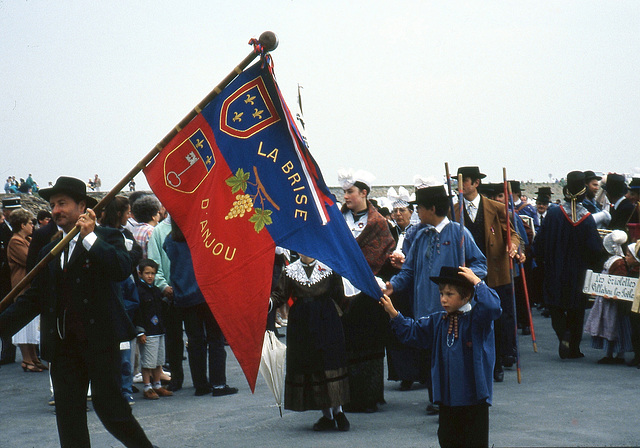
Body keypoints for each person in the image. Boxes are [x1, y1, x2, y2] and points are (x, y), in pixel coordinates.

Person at [0, 176, 156, 448]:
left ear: (82, 206)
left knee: (112, 411)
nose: (56, 210)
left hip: (100, 342)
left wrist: (89, 238)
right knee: (69, 417)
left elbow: (120, 269)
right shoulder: (49, 250)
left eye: (63, 203)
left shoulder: (107, 238)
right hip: (62, 348)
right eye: (53, 204)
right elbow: (34, 298)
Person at [383, 185, 487, 412]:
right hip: (424, 308)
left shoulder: (459, 233)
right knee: (430, 355)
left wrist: (466, 277)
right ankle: (436, 397)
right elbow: (408, 271)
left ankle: (453, 398)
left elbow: (481, 264)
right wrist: (393, 285)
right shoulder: (419, 235)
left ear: (432, 208)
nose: (417, 212)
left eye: (419, 207)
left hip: (453, 309)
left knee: (450, 354)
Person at [381, 266, 501, 448]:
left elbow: (493, 306)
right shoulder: (438, 321)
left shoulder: (477, 320)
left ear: (466, 296)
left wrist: (477, 282)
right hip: (447, 398)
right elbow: (412, 332)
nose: (443, 299)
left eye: (450, 294)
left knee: (474, 442)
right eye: (441, 294)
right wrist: (393, 312)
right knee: (447, 440)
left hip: (473, 399)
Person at [454, 166, 522, 382]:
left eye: (465, 181)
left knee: (498, 318)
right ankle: (473, 363)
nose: (461, 185)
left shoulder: (496, 207)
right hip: (467, 272)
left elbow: (513, 233)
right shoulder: (453, 210)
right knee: (470, 318)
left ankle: (498, 362)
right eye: (458, 181)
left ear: (475, 183)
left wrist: (513, 246)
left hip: (495, 272)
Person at [270, 253, 351, 431]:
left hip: (326, 318)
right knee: (313, 365)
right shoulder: (291, 270)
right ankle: (328, 416)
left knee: (330, 363)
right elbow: (280, 295)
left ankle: (339, 412)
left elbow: (340, 294)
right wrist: (266, 302)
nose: (304, 251)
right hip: (302, 323)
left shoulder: (328, 267)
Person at [337, 169, 395, 413]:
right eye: (344, 192)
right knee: (346, 345)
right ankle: (347, 396)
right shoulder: (338, 220)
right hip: (341, 291)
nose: (346, 196)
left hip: (368, 294)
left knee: (369, 345)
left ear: (364, 192)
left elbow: (383, 254)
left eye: (350, 191)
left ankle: (370, 396)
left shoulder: (378, 223)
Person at [162, 220, 238, 397]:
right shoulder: (204, 235)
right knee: (215, 340)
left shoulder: (171, 239)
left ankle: (200, 384)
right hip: (209, 292)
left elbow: (171, 256)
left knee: (195, 341)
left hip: (185, 295)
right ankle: (218, 384)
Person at [534, 171, 603, 359]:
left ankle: (562, 332)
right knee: (576, 309)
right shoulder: (587, 218)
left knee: (555, 305)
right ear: (583, 192)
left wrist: (541, 262)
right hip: (578, 271)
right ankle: (573, 347)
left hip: (555, 268)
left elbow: (538, 243)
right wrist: (596, 267)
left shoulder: (553, 214)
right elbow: (596, 249)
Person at [584, 230, 632, 364]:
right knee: (607, 323)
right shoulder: (612, 260)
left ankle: (619, 354)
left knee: (615, 324)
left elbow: (619, 282)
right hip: (605, 298)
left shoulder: (619, 262)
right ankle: (609, 353)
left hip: (613, 301)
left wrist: (613, 293)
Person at [8, 208, 46, 372]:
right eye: (30, 223)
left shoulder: (27, 240)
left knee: (32, 322)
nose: (33, 226)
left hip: (29, 284)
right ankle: (26, 359)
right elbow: (29, 259)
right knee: (24, 323)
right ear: (22, 224)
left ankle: (34, 357)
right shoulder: (16, 241)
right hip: (21, 285)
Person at [135, 259, 173, 400]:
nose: (150, 276)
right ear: (140, 274)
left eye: (153, 273)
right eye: (147, 273)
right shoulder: (139, 291)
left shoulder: (156, 290)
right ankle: (147, 387)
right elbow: (137, 313)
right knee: (148, 362)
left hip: (159, 330)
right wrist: (140, 331)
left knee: (158, 361)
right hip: (148, 332)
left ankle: (157, 385)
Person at [0, 197, 21, 366]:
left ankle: (10, 351)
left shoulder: (17, 232)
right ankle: (7, 350)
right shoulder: (3, 230)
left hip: (12, 277)